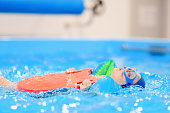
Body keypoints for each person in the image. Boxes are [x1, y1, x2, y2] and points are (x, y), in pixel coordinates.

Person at [0, 60, 145, 94]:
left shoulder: (105, 86)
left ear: (125, 86)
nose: (123, 69)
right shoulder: (94, 75)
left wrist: (84, 90)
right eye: (126, 68)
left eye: (128, 73)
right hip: (51, 88)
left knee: (12, 87)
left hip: (46, 95)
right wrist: (70, 75)